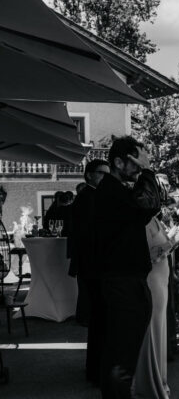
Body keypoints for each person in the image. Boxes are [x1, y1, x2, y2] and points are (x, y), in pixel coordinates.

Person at [95, 136, 161, 399]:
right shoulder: (112, 193)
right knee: (121, 359)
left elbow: (144, 207)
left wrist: (143, 169)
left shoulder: (114, 192)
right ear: (119, 162)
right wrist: (149, 172)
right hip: (123, 285)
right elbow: (149, 203)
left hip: (122, 282)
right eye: (136, 164)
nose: (140, 171)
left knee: (116, 358)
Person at [132, 176, 179, 399]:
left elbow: (161, 248)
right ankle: (148, 386)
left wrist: (174, 238)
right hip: (152, 280)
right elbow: (148, 255)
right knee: (151, 331)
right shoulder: (142, 222)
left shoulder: (154, 219)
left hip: (161, 279)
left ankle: (159, 381)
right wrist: (173, 240)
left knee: (159, 330)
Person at [67, 159, 109, 385]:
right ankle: (95, 371)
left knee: (98, 322)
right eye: (102, 173)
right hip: (92, 267)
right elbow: (88, 236)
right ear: (90, 175)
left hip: (91, 267)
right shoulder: (87, 199)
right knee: (97, 321)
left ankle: (96, 369)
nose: (105, 177)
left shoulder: (92, 197)